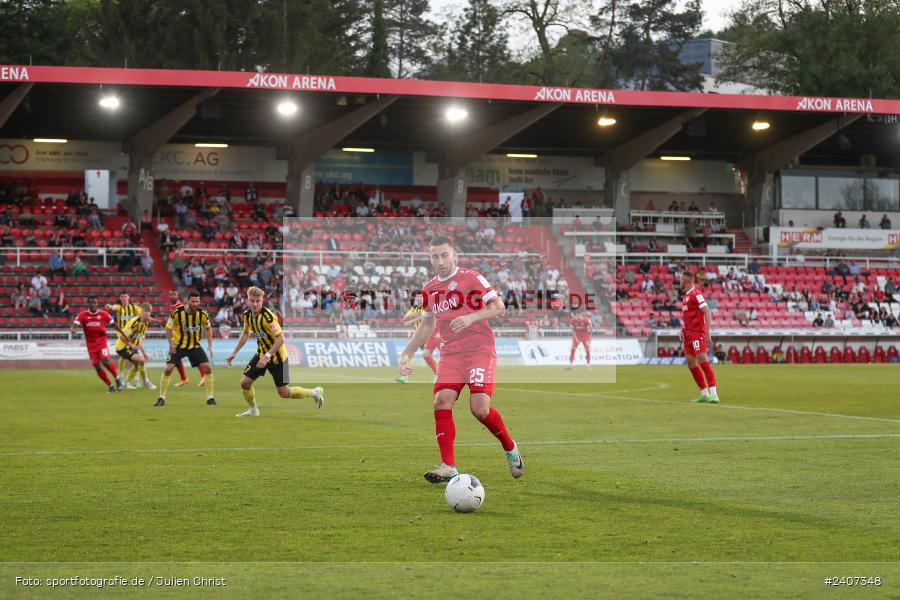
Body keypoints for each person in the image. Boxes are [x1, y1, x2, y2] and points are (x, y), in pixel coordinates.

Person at [397, 235, 523, 484]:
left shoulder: (472, 277)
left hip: (479, 350)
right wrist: (408, 352)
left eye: (445, 255)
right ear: (429, 256)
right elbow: (427, 324)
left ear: (454, 254)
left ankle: (510, 447)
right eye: (435, 256)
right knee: (441, 400)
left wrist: (471, 317)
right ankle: (449, 466)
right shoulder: (430, 288)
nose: (440, 260)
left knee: (479, 409)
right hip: (452, 354)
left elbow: (499, 307)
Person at [225, 287, 324, 417]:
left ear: (262, 301)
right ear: (248, 301)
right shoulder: (247, 315)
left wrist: (267, 356)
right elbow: (245, 333)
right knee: (245, 383)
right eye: (252, 301)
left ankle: (314, 392)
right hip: (261, 354)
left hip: (278, 357)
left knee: (284, 393)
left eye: (258, 301)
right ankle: (253, 410)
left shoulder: (268, 317)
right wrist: (234, 352)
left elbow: (281, 338)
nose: (255, 304)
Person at [154, 291, 215, 407]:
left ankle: (210, 397)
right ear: (187, 301)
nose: (195, 303)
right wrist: (170, 343)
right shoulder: (177, 312)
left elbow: (208, 328)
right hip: (178, 346)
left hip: (195, 346)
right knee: (168, 368)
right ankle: (161, 397)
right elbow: (168, 328)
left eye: (197, 301)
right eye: (193, 301)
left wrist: (210, 345)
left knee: (208, 368)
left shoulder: (203, 314)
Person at [70, 296, 127, 393]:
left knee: (105, 360)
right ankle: (110, 385)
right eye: (91, 303)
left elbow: (114, 324)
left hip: (101, 342)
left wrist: (123, 334)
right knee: (96, 366)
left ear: (97, 304)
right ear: (88, 304)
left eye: (95, 303)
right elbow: (75, 323)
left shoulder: (103, 314)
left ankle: (117, 379)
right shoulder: (83, 315)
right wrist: (73, 329)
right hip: (90, 345)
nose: (93, 304)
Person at [679, 271, 719, 403]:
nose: (679, 281)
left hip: (697, 334)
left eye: (680, 279)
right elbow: (690, 317)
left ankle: (714, 394)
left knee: (703, 360)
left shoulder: (696, 294)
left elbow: (707, 312)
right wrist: (683, 329)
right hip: (688, 335)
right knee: (691, 363)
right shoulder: (686, 297)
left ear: (686, 280)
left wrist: (707, 333)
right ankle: (704, 394)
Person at [395, 295, 440, 384]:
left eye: (420, 297)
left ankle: (438, 375)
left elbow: (424, 318)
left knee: (427, 355)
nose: (419, 299)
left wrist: (411, 320)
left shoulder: (428, 307)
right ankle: (404, 377)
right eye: (417, 298)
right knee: (410, 355)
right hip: (417, 336)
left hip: (427, 335)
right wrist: (412, 315)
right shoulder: (414, 308)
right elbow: (404, 318)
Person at [115, 303, 156, 390]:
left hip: (130, 347)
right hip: (122, 347)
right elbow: (122, 336)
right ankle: (145, 382)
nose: (148, 314)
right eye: (146, 311)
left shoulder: (145, 324)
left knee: (138, 364)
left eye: (149, 312)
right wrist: (131, 345)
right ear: (141, 311)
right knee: (140, 360)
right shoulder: (134, 322)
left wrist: (144, 352)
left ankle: (126, 383)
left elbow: (139, 340)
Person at [105, 292, 143, 381]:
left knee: (136, 356)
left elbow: (142, 312)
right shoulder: (119, 307)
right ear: (120, 298)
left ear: (128, 297)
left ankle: (136, 379)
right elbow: (113, 307)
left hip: (132, 336)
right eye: (122, 297)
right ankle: (122, 376)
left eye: (125, 296)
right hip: (121, 335)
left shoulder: (134, 307)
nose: (124, 298)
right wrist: (109, 306)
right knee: (123, 356)